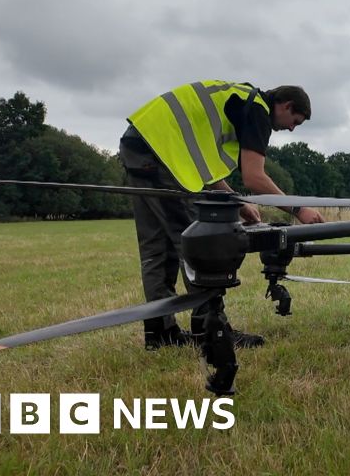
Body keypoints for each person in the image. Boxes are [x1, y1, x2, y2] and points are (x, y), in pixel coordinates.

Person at [118, 80, 325, 350]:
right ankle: (211, 330)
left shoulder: (237, 99)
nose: (290, 128)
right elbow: (254, 177)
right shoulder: (257, 111)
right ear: (285, 105)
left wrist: (237, 203)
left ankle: (160, 332)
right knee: (195, 243)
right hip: (163, 154)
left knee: (156, 248)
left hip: (138, 143)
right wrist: (299, 209)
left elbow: (204, 167)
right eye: (294, 121)